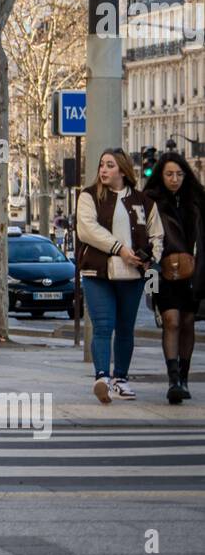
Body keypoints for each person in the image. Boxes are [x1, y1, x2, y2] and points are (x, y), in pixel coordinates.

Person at [76, 148, 163, 404]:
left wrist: (149, 257)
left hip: (132, 275)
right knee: (102, 326)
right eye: (101, 164)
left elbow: (156, 234)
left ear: (123, 170)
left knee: (125, 328)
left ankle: (120, 379)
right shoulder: (89, 197)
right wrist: (120, 249)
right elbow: (87, 230)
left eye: (110, 165)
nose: (103, 169)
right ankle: (102, 377)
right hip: (97, 272)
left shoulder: (143, 201)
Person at [144, 152, 205, 404]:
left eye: (179, 174)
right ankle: (173, 380)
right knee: (171, 320)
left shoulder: (197, 200)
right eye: (169, 174)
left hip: (195, 271)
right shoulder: (150, 201)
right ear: (161, 175)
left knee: (189, 322)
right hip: (162, 271)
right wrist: (148, 276)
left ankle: (184, 378)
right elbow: (143, 238)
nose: (174, 179)